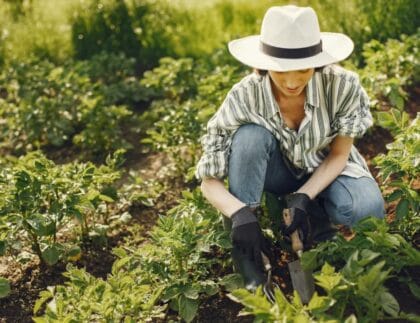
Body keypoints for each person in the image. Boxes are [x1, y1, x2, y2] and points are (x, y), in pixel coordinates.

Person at [195, 5, 385, 290]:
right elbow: (208, 181)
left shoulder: (342, 86)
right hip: (278, 172)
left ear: (318, 61)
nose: (292, 82)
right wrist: (239, 214)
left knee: (366, 207)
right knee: (248, 137)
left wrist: (303, 197)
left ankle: (318, 224)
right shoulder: (245, 95)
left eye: (303, 70)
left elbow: (339, 154)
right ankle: (249, 259)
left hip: (325, 166)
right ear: (263, 64)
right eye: (280, 72)